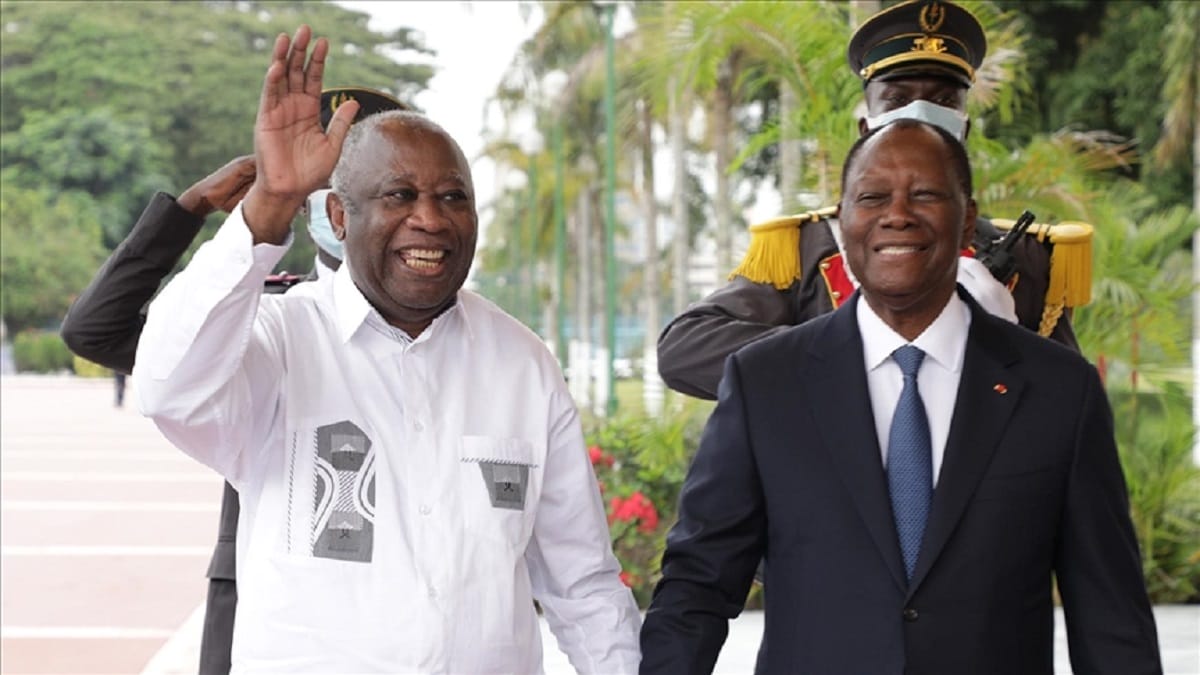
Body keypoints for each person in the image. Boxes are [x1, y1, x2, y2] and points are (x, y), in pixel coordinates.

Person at [133, 25, 640, 672]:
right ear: (339, 218)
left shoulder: (523, 364)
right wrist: (270, 204)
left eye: (453, 196)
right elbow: (166, 384)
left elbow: (583, 585)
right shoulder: (280, 341)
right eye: (399, 195)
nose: (430, 218)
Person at [638, 120, 1160, 675]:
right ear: (842, 221)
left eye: (927, 194)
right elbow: (697, 587)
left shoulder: (1059, 390)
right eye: (872, 197)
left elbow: (1109, 615)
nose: (898, 215)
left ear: (969, 220)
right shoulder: (765, 382)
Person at [59, 85, 408, 674]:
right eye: (325, 175)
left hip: (402, 597)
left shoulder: (458, 330)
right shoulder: (258, 311)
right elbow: (95, 331)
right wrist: (191, 208)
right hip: (264, 602)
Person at [657, 0, 1090, 400]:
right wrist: (849, 350)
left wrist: (1004, 343)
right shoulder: (809, 248)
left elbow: (1069, 404)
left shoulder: (1029, 258)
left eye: (942, 100)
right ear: (867, 129)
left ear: (964, 129)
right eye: (899, 99)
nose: (920, 113)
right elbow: (684, 349)